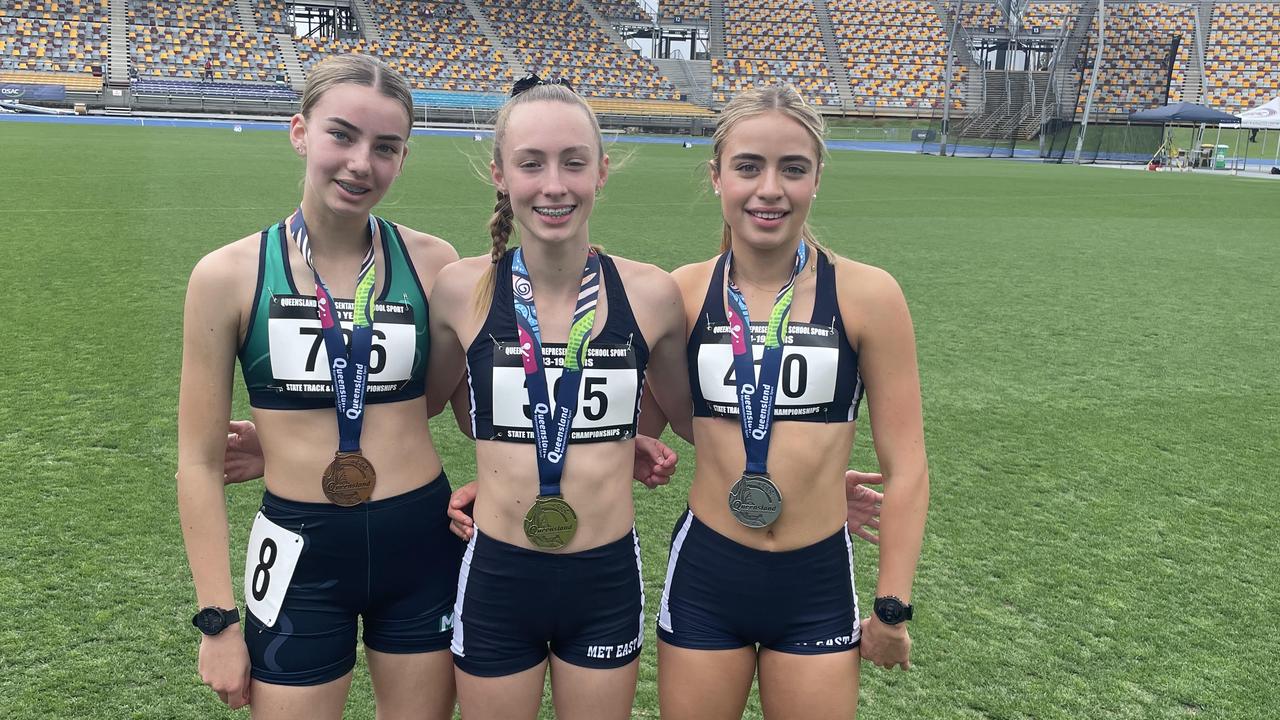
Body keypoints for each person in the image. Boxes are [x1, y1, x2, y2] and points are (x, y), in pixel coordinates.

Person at [177, 55, 464, 719]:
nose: (362, 163)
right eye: (343, 135)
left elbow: (470, 409)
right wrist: (218, 622)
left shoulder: (433, 263)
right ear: (300, 132)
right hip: (298, 552)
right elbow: (198, 459)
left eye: (385, 147)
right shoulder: (227, 276)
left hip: (421, 543)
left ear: (402, 157)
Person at [650, 83, 930, 719]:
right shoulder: (681, 294)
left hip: (816, 577)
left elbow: (907, 467)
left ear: (816, 179)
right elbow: (620, 428)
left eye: (792, 168)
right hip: (707, 574)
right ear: (716, 175)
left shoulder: (868, 295)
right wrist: (499, 488)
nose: (769, 188)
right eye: (748, 166)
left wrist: (892, 606)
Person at [424, 77, 695, 720]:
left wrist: (619, 439)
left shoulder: (651, 295)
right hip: (496, 574)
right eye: (531, 163)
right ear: (499, 174)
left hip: (603, 579)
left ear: (601, 172)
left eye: (574, 162)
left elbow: (693, 416)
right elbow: (422, 405)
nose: (555, 185)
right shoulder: (461, 290)